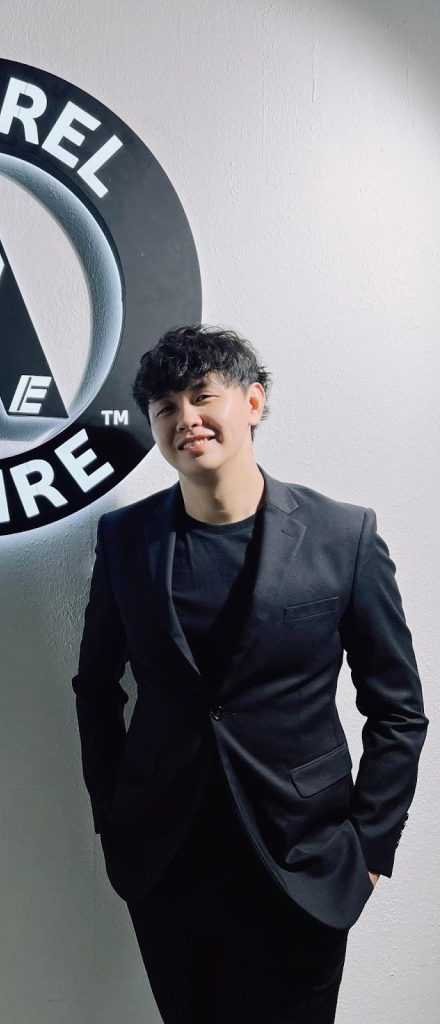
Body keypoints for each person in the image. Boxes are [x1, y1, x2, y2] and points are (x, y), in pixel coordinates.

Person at [71, 324, 428, 1023]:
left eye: (203, 396)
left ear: (254, 402)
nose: (186, 418)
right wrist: (113, 818)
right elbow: (95, 687)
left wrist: (370, 847)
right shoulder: (125, 539)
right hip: (166, 862)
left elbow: (397, 708)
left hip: (301, 861)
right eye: (166, 407)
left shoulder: (343, 536)